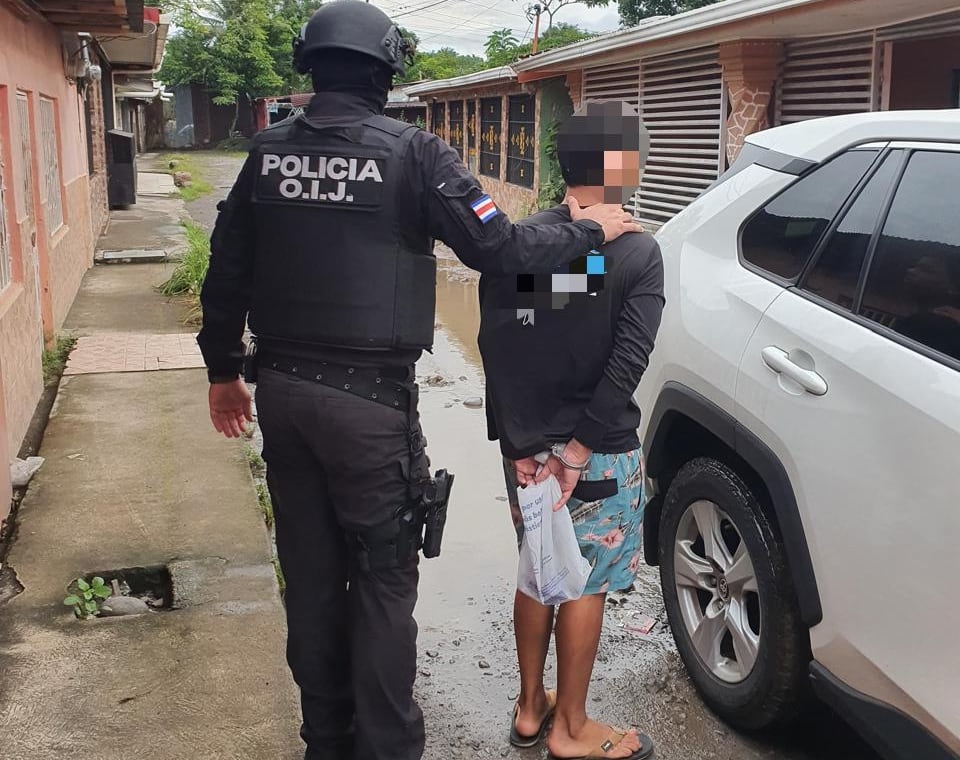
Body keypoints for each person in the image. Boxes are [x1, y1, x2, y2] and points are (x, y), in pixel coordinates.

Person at [196, 3, 644, 759]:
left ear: (310, 67)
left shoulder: (267, 153)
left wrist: (221, 372)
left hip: (284, 396)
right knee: (380, 586)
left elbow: (225, 271)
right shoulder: (414, 153)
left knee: (309, 578)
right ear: (387, 70)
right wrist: (592, 232)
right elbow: (496, 252)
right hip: (368, 408)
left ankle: (325, 743)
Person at [478, 100, 664, 760]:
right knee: (582, 581)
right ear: (619, 165)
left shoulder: (528, 240)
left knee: (538, 571)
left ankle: (531, 710)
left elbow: (504, 338)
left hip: (527, 452)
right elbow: (625, 364)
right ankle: (572, 728)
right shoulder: (639, 252)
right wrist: (580, 450)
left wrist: (521, 444)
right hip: (598, 455)